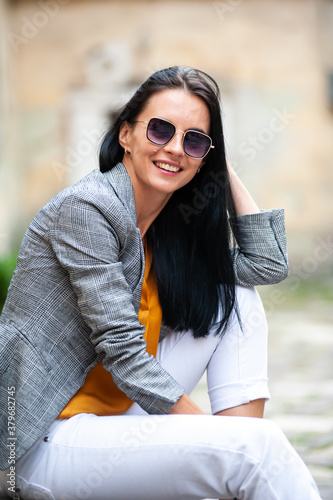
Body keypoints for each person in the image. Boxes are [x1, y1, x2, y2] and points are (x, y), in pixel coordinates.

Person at [0, 66, 321, 500]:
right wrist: (215, 437)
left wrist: (219, 167)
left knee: (236, 297)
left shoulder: (165, 227)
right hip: (46, 438)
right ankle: (239, 463)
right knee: (256, 450)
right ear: (125, 134)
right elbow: (122, 349)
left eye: (194, 140)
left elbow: (267, 264)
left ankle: (236, 467)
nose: (174, 148)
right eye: (160, 130)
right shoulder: (86, 209)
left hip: (116, 420)